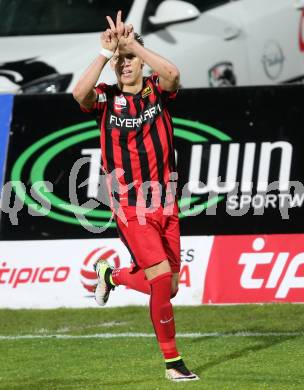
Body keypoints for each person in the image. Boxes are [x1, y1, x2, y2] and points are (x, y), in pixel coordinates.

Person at [73, 11, 199, 382]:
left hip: (167, 202)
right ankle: (173, 363)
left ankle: (110, 276)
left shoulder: (157, 90)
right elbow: (78, 93)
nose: (125, 64)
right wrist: (104, 51)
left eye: (131, 59)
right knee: (160, 277)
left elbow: (174, 74)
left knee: (169, 287)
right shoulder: (104, 99)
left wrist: (133, 46)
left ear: (141, 60)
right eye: (120, 61)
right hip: (131, 205)